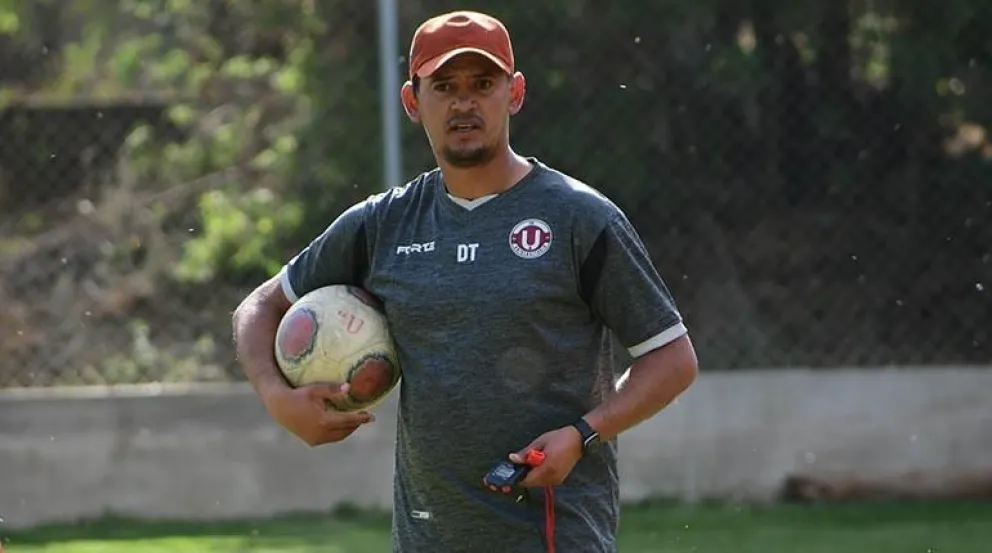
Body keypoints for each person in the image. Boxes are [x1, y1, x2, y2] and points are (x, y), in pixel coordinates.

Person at [232, 9, 698, 553]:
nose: (464, 103)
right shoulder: (382, 225)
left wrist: (583, 433)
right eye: (444, 86)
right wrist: (277, 397)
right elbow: (258, 307)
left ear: (514, 93)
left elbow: (672, 359)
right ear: (412, 102)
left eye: (482, 84)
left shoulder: (579, 218)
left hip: (553, 536)